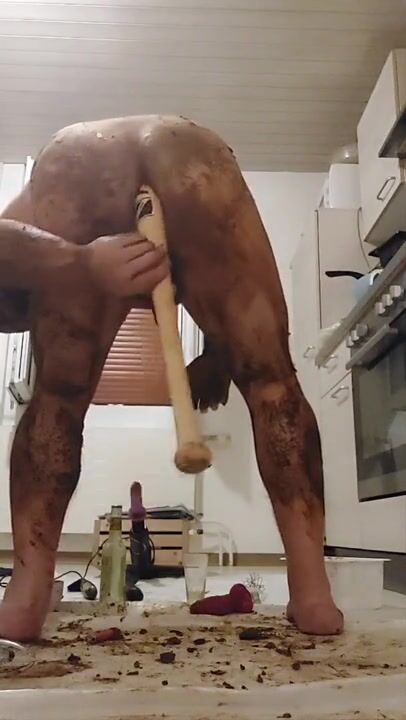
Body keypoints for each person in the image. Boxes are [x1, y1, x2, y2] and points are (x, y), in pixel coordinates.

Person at [0, 115, 343, 641]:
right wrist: (222, 346)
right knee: (272, 382)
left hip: (81, 160)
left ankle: (26, 594)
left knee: (57, 397)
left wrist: (79, 262)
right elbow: (189, 277)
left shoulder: (35, 210)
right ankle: (314, 595)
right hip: (190, 152)